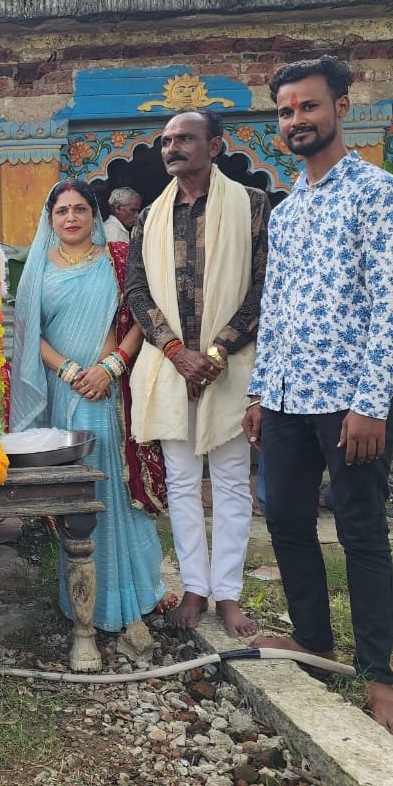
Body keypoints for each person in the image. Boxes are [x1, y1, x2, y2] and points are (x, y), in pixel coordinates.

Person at [246, 55, 393, 733]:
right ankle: (314, 640)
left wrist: (372, 402)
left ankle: (378, 677)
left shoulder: (376, 194)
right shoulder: (287, 212)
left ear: (341, 107)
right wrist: (260, 393)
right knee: (285, 518)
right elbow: (278, 306)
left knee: (361, 532)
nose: (296, 121)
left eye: (308, 107)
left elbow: (392, 303)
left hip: (354, 401)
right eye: (286, 111)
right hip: (288, 397)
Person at [126, 109, 269, 638]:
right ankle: (194, 587)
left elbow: (263, 286)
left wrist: (217, 349)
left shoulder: (251, 205)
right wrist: (176, 350)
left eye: (185, 138)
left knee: (232, 482)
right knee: (183, 483)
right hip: (170, 368)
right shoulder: (150, 217)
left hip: (230, 366)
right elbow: (137, 293)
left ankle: (227, 593)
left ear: (216, 145)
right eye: (166, 141)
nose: (172, 148)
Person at [11, 178, 167, 636]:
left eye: (80, 208)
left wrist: (112, 366)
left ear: (94, 216)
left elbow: (142, 315)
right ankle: (83, 605)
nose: (72, 218)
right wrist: (70, 372)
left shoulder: (118, 261)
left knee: (114, 490)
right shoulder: (37, 268)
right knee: (78, 494)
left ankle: (134, 597)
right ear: (50, 218)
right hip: (65, 390)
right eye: (62, 211)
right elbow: (28, 334)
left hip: (109, 390)